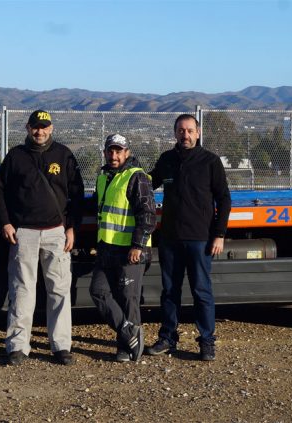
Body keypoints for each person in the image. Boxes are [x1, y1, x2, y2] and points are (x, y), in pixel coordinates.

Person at [0, 110, 85, 366]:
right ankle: (17, 346)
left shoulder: (64, 154)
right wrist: (6, 222)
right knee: (22, 290)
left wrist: (72, 227)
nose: (40, 131)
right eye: (35, 127)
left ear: (51, 128)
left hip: (57, 232)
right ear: (27, 127)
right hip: (24, 233)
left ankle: (61, 345)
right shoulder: (15, 156)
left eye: (44, 127)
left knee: (59, 290)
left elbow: (77, 194)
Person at [145, 114, 231, 361]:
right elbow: (149, 182)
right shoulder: (167, 160)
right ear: (175, 133)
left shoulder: (210, 161)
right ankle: (168, 338)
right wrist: (128, 176)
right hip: (170, 238)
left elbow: (224, 199)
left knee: (201, 291)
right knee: (169, 291)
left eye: (190, 130)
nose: (186, 135)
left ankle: (206, 341)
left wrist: (219, 234)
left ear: (198, 132)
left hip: (200, 239)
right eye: (181, 131)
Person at [89, 134, 156, 362]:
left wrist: (137, 245)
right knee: (98, 291)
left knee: (128, 298)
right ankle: (129, 333)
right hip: (107, 248)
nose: (114, 155)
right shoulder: (103, 177)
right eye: (110, 151)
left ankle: (127, 348)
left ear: (127, 153)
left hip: (130, 250)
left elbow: (147, 215)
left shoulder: (137, 177)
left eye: (119, 151)